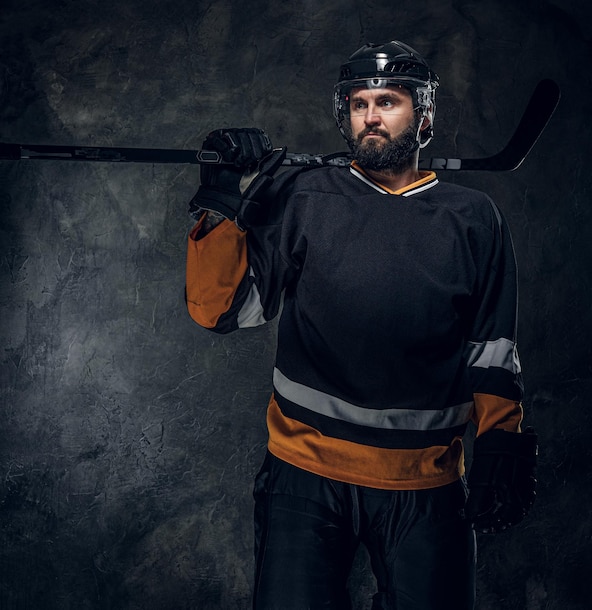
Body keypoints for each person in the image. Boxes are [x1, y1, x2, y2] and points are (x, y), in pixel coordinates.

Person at [185, 40, 538, 610]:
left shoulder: (474, 219)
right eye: (359, 104)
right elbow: (217, 309)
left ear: (423, 116)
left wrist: (503, 442)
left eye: (389, 101)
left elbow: (492, 349)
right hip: (305, 473)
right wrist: (222, 196)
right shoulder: (304, 195)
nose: (371, 116)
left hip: (427, 484)